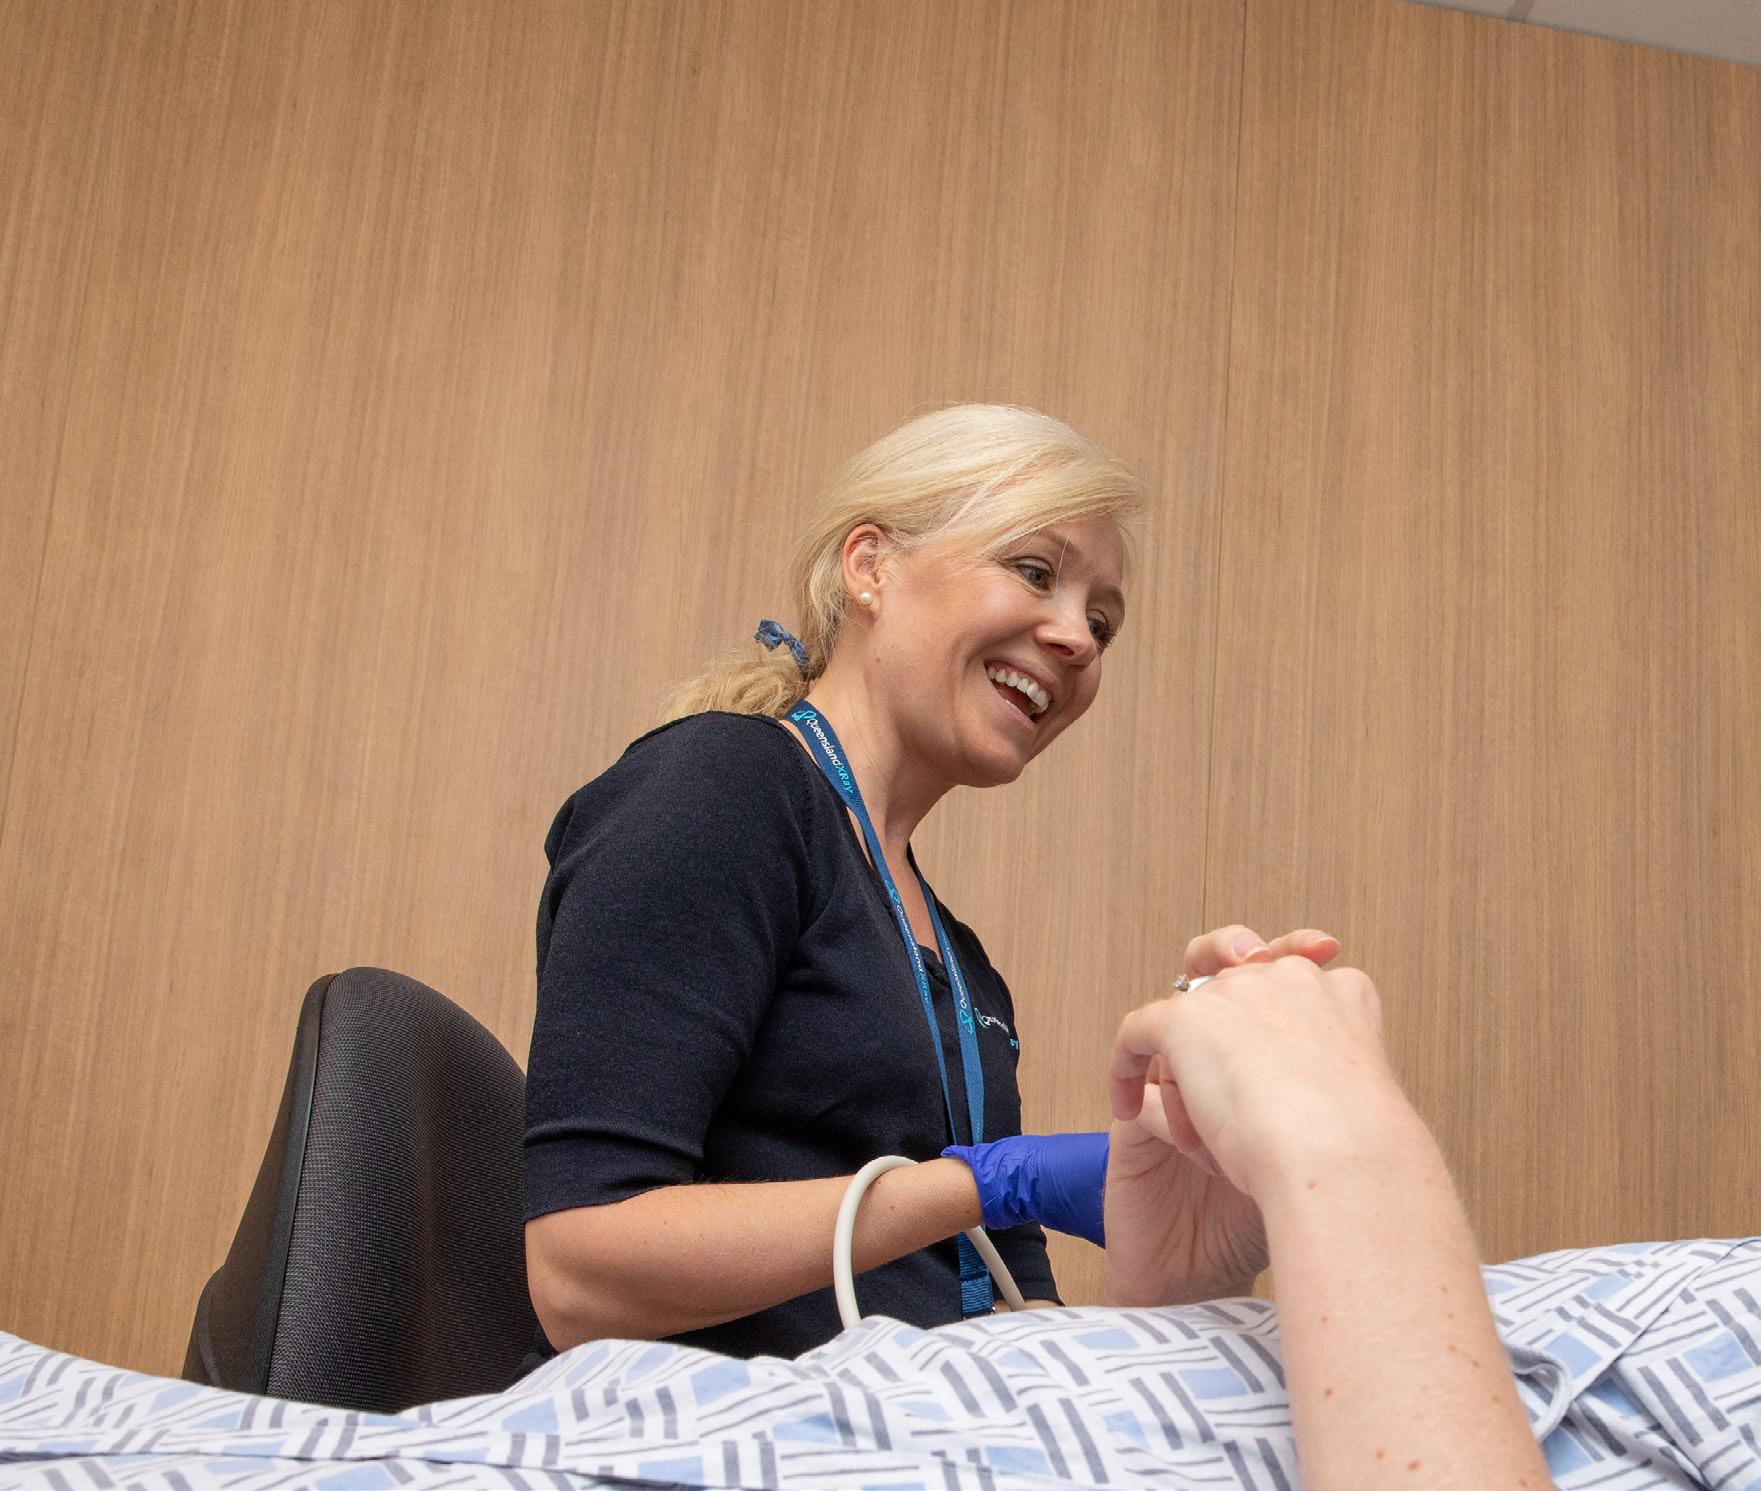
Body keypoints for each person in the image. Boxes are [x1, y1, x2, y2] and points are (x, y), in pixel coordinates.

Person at [522, 402, 1306, 1362]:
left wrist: (1195, 1240)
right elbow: (579, 1275)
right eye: (1035, 572)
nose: (1077, 637)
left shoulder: (962, 966)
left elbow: (1010, 1329)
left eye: (1102, 623)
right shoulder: (724, 789)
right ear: (870, 566)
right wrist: (986, 1183)